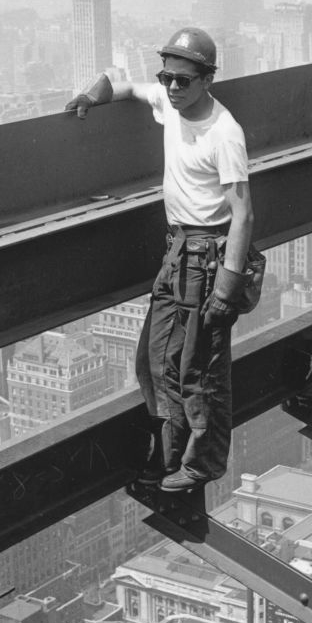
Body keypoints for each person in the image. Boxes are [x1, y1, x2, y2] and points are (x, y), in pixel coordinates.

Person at [66, 27, 254, 493]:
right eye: (166, 76)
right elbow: (123, 84)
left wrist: (227, 289)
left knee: (198, 368)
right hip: (177, 251)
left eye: (183, 80)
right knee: (153, 360)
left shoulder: (224, 132)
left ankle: (200, 465)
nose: (171, 87)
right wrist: (91, 95)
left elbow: (244, 212)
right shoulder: (171, 106)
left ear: (207, 80)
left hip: (208, 257)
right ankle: (170, 457)